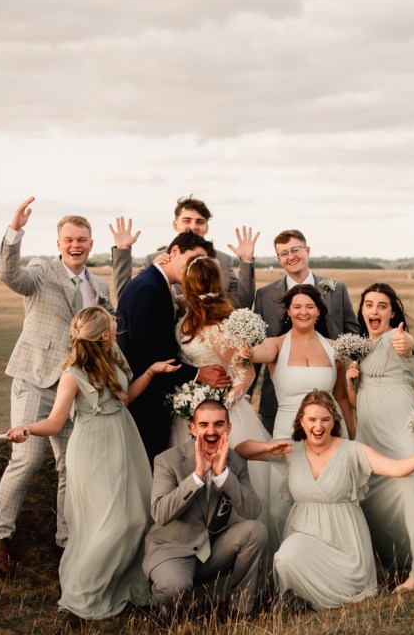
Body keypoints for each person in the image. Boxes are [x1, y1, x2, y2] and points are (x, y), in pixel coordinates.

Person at [6, 306, 177, 619]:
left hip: (125, 441)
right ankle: (84, 595)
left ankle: (124, 586)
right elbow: (56, 423)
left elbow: (124, 400)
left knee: (138, 518)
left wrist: (151, 372)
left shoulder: (114, 356)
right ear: (103, 333)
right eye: (112, 323)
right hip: (93, 450)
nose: (116, 325)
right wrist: (28, 428)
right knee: (110, 523)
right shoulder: (71, 375)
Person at [0, 196, 114, 576]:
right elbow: (11, 277)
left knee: (70, 468)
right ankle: (0, 536)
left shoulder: (100, 285)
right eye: (69, 240)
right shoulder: (42, 271)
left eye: (82, 240)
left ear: (91, 244)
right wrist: (14, 233)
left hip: (76, 387)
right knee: (26, 460)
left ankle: (65, 543)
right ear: (59, 243)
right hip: (36, 378)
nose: (76, 245)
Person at [235, 391, 414, 611]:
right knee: (286, 558)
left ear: (334, 421)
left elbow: (395, 468)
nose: (318, 426)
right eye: (312, 420)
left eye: (325, 419)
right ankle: (313, 595)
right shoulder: (290, 450)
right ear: (301, 422)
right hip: (305, 538)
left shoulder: (352, 451)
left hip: (345, 545)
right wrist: (267, 447)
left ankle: (333, 594)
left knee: (349, 584)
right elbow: (241, 449)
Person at [240, 284, 356, 545]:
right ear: (288, 312)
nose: (303, 312)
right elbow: (258, 354)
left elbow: (341, 398)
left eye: (309, 307)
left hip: (328, 431)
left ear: (319, 312)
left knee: (327, 498)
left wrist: (352, 437)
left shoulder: (333, 347)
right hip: (287, 432)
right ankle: (287, 561)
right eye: (297, 307)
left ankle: (327, 554)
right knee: (281, 505)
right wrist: (247, 350)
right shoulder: (276, 345)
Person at [170, 255, 274, 542]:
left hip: (222, 413)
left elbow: (246, 373)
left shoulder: (219, 327)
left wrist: (223, 407)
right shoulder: (184, 317)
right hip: (189, 413)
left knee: (227, 482)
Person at [346, 283, 414, 591]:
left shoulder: (395, 337)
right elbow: (355, 401)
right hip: (370, 426)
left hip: (401, 420)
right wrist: (351, 381)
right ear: (362, 311)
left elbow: (407, 345)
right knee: (372, 493)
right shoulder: (359, 347)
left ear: (392, 312)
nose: (374, 310)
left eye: (382, 305)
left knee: (411, 484)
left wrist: (406, 340)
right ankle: (398, 562)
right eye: (369, 304)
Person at [143, 399, 269, 617]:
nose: (211, 431)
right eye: (204, 425)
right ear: (192, 427)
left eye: (219, 424)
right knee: (173, 589)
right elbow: (160, 513)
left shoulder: (236, 460)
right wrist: (197, 476)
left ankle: (240, 609)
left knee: (256, 530)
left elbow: (253, 510)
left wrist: (223, 476)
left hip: (212, 550)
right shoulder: (167, 460)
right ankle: (165, 605)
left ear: (228, 428)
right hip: (173, 548)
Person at [116, 231, 230, 464]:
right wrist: (198, 374)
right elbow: (150, 354)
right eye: (191, 262)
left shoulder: (159, 284)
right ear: (174, 252)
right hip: (145, 400)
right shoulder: (148, 289)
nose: (192, 271)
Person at [252, 229, 358, 433]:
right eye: (284, 253)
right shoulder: (264, 295)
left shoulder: (337, 289)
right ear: (278, 258)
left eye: (295, 250)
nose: (291, 257)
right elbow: (259, 345)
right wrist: (246, 393)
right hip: (278, 401)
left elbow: (353, 337)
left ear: (307, 250)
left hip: (328, 397)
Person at [110, 195, 259, 307]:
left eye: (200, 222)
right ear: (175, 225)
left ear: (207, 227)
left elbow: (242, 305)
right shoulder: (153, 260)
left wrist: (246, 260)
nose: (193, 227)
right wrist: (123, 251)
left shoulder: (224, 260)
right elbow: (126, 298)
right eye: (186, 220)